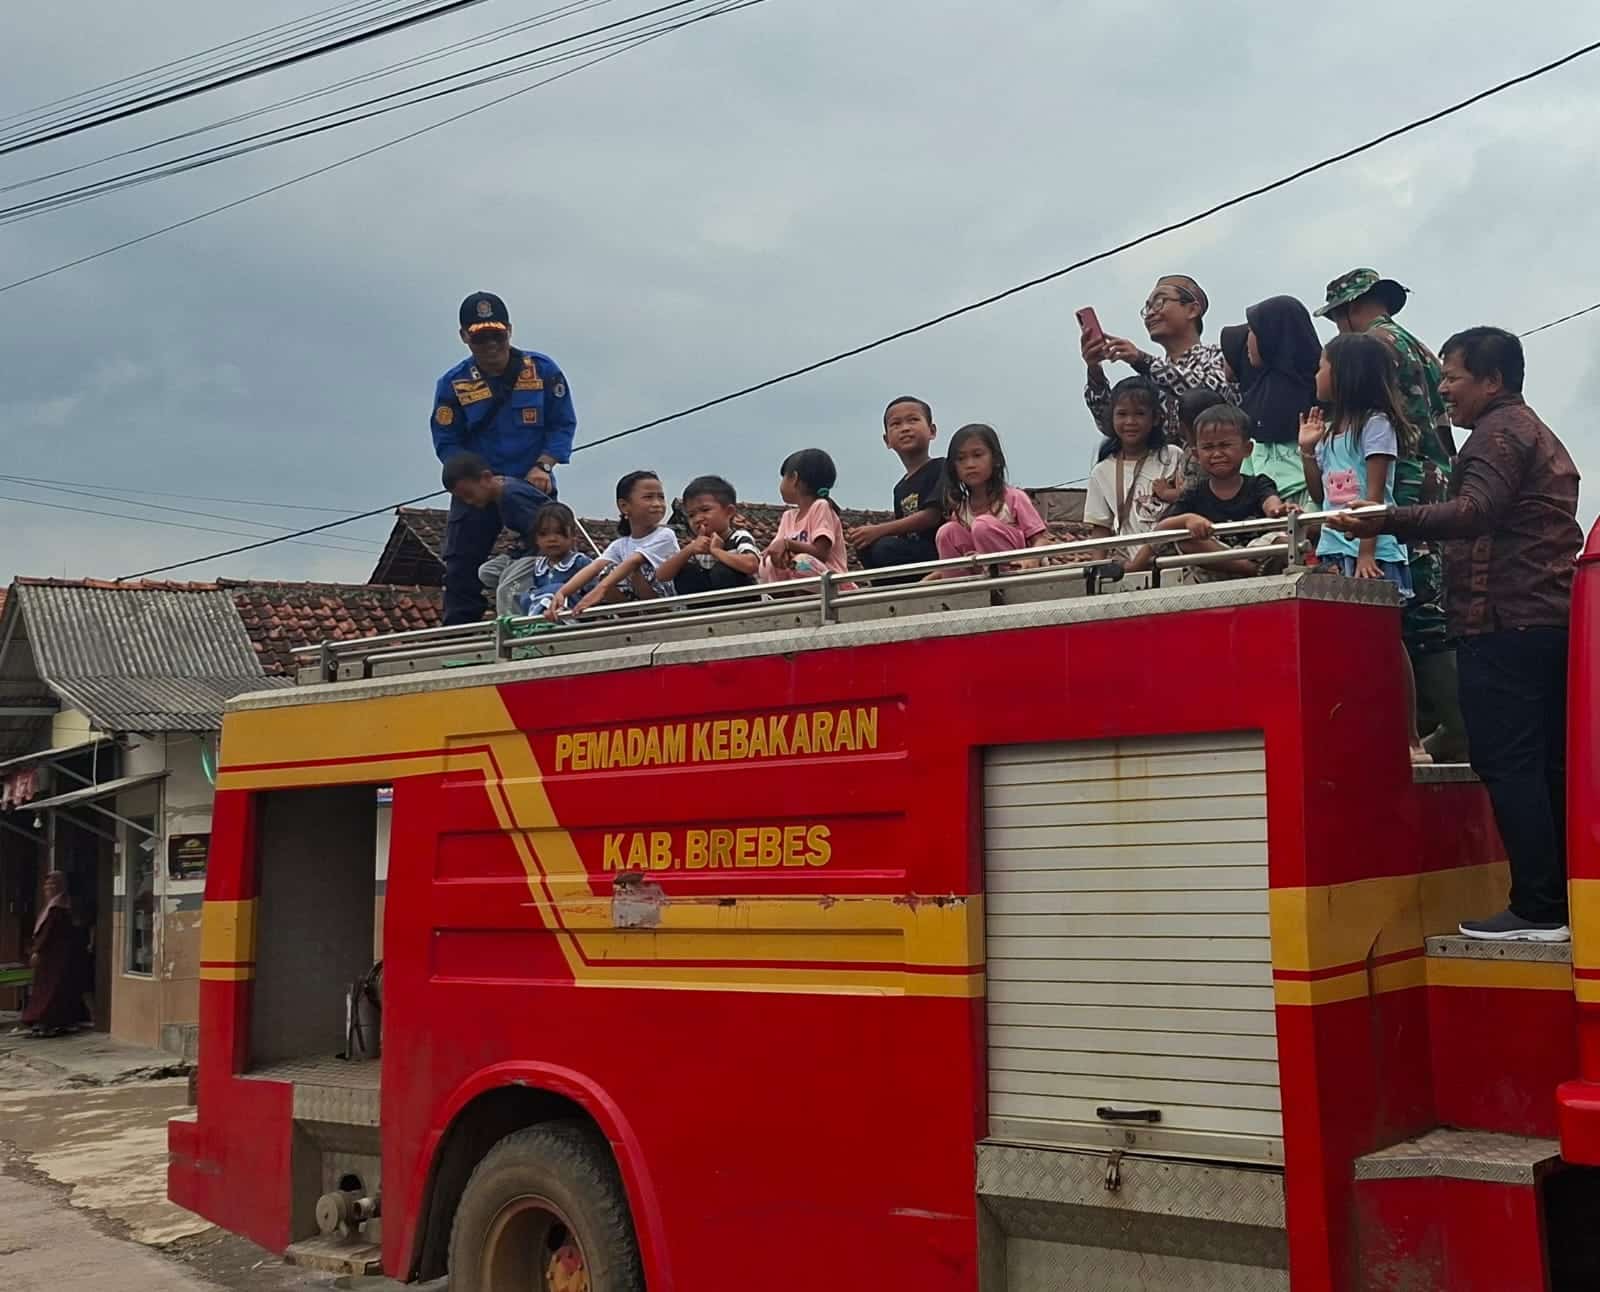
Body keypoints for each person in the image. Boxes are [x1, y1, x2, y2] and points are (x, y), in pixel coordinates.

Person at [1329, 327, 1583, 942]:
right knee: (1546, 764)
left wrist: (1386, 517)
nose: (1442, 390)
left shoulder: (1498, 434)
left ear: (1491, 381)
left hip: (1503, 619)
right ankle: (1562, 901)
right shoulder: (1532, 431)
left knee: (1510, 762)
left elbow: (1474, 513)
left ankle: (1539, 907)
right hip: (1543, 618)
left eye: (1452, 377)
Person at [1317, 267, 1465, 760]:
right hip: (1436, 479)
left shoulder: (1373, 345)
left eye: (1338, 320)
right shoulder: (1419, 347)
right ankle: (1434, 728)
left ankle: (1445, 732)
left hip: (1396, 487)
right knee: (1423, 604)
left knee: (1409, 613)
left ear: (1351, 310)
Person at [1299, 331, 1427, 764]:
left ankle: (1410, 736)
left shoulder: (1376, 424)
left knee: (1388, 642)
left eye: (1322, 365)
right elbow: (1321, 497)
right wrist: (1306, 452)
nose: (1316, 373)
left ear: (1345, 374)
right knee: (1345, 647)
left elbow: (1376, 496)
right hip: (1337, 545)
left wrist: (1368, 552)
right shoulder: (1332, 430)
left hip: (1372, 547)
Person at [431, 292, 578, 625]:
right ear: (465, 336)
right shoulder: (453, 383)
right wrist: (468, 480)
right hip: (479, 487)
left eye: (497, 335)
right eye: (481, 337)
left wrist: (545, 464)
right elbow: (447, 440)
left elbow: (562, 423)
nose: (490, 345)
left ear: (509, 331)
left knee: (548, 551)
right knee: (460, 564)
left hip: (530, 482)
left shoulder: (542, 370)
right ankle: (458, 633)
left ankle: (543, 620)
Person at [1080, 274, 1238, 440]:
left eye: (1159, 302)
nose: (1150, 314)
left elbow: (1212, 394)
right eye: (1147, 308)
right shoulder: (1150, 380)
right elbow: (1110, 425)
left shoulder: (1220, 356)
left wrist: (1142, 361)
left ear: (1192, 310)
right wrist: (1095, 371)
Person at [1159, 404, 1291, 579]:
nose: (1217, 453)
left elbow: (1271, 504)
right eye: (1208, 447)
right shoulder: (1194, 493)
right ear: (1196, 454)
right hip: (1218, 566)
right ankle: (1248, 569)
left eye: (1225, 445)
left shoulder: (1258, 483)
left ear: (1247, 449)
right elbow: (1161, 528)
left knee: (1284, 542)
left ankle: (1255, 567)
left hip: (1258, 552)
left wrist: (1279, 511)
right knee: (1186, 541)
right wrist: (1188, 519)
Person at [1083, 375, 1186, 568]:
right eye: (1122, 414)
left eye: (1139, 414)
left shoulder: (1172, 456)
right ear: (1111, 418)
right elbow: (1100, 528)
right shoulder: (1102, 471)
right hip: (1134, 566)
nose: (1130, 421)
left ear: (1155, 418)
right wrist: (1096, 571)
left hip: (1176, 560)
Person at [545, 471, 678, 619]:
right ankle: (629, 618)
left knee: (631, 568)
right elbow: (594, 567)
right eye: (648, 497)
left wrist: (601, 589)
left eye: (661, 497)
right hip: (636, 608)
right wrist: (562, 593)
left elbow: (634, 561)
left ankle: (654, 615)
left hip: (665, 606)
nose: (657, 504)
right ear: (624, 506)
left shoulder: (665, 535)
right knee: (606, 570)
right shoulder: (620, 544)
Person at [440, 451, 552, 618]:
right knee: (486, 572)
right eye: (463, 499)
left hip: (544, 554)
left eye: (469, 494)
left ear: (486, 478)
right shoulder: (499, 496)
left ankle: (513, 632)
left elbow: (544, 531)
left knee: (506, 588)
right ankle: (524, 598)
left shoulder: (513, 496)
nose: (469, 502)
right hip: (525, 553)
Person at [848, 396, 945, 578]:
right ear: (887, 441)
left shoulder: (941, 467)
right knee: (866, 546)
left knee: (884, 547)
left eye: (913, 420)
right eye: (896, 424)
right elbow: (904, 535)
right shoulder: (899, 488)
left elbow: (933, 516)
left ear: (932, 431)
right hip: (911, 554)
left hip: (939, 550)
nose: (905, 428)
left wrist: (879, 530)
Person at [1238, 295, 1322, 505]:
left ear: (1272, 333)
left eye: (1253, 330)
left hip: (1313, 501)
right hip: (1264, 504)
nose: (1247, 339)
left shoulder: (1320, 390)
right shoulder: (1255, 394)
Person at [935, 424, 1052, 567]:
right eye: (961, 459)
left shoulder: (1014, 498)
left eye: (977, 455)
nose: (970, 464)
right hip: (980, 575)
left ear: (995, 459)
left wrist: (1031, 559)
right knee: (947, 532)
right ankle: (958, 586)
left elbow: (1041, 540)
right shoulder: (961, 512)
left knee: (982, 525)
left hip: (1017, 568)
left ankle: (1002, 572)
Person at [655, 476, 761, 596]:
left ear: (729, 512)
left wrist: (716, 551)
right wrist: (688, 550)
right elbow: (661, 576)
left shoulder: (739, 537)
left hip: (743, 601)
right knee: (686, 571)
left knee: (722, 570)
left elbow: (751, 565)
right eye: (691, 515)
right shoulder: (697, 546)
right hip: (710, 603)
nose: (698, 519)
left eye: (705, 510)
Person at [15, 871, 88, 1038]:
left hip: (54, 956)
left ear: (62, 886)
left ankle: (45, 1021)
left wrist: (37, 950)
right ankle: (48, 1021)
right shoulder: (53, 905)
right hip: (53, 956)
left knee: (51, 989)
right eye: (47, 884)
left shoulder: (58, 907)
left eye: (53, 884)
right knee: (48, 988)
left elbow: (49, 932)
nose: (49, 887)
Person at [761, 450, 850, 583]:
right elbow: (776, 549)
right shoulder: (788, 517)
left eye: (784, 477)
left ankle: (800, 595)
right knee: (767, 564)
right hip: (797, 579)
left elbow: (821, 553)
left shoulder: (821, 507)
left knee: (802, 563)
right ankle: (784, 598)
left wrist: (787, 544)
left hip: (830, 584)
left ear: (794, 479)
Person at [517, 503, 594, 618]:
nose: (552, 539)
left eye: (559, 532)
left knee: (557, 589)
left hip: (573, 616)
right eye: (544, 534)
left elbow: (594, 592)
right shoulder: (539, 567)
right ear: (536, 539)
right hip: (545, 617)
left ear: (573, 535)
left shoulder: (580, 562)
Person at [1154, 387, 1227, 505]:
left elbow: (1192, 493)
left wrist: (1166, 493)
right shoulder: (1190, 448)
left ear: (1182, 426)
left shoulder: (1199, 458)